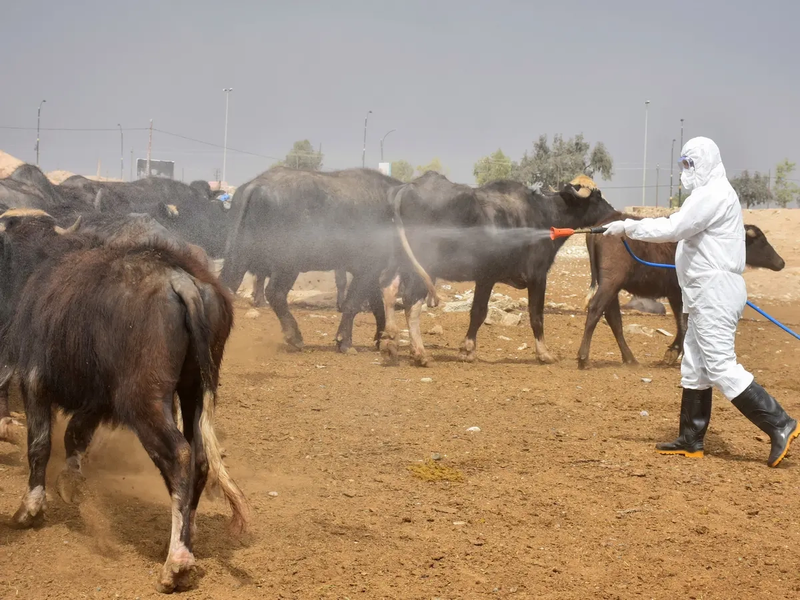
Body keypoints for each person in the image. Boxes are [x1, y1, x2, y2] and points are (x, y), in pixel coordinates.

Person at [602, 136, 798, 467]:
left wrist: (627, 227)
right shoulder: (707, 195)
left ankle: (779, 423)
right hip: (702, 291)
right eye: (683, 164)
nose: (685, 171)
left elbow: (675, 227)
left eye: (690, 164)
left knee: (720, 364)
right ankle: (691, 438)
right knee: (695, 364)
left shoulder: (714, 195)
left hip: (715, 291)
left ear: (706, 163)